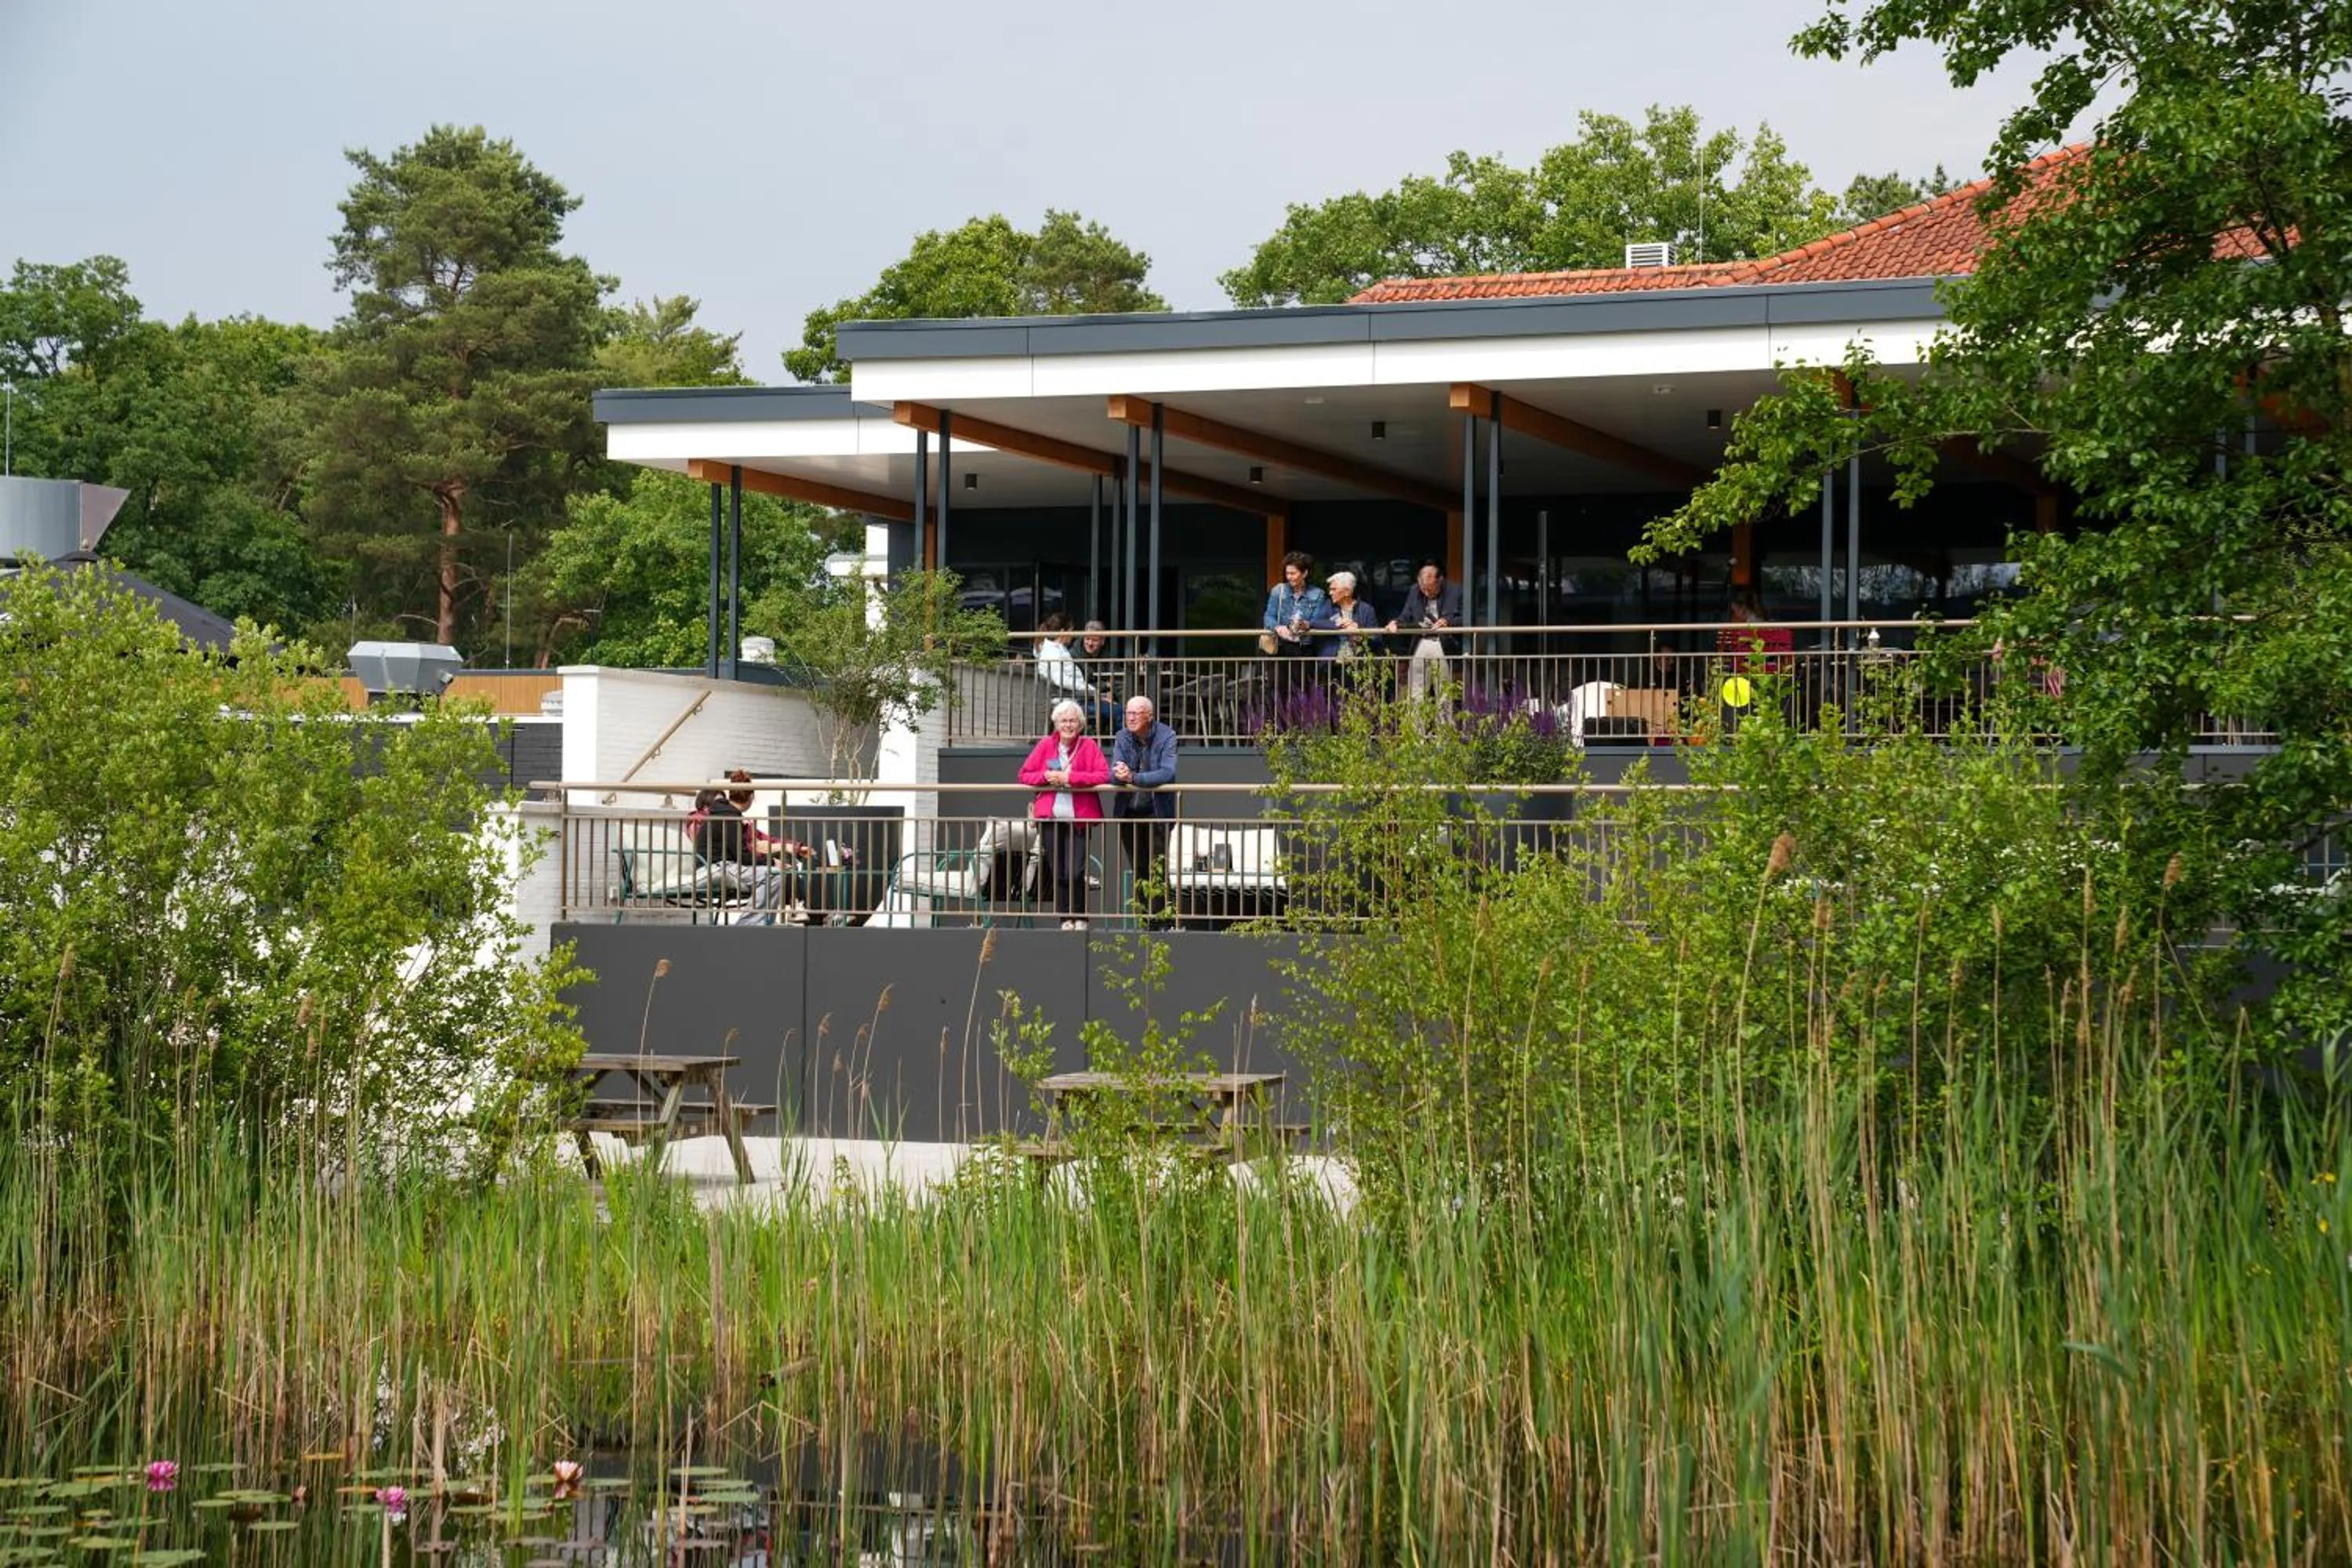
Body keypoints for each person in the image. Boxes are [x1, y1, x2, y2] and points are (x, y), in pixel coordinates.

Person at [1017, 698, 1110, 930]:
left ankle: (1081, 917)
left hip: (1079, 818)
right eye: (1063, 720)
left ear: (1080, 724)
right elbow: (1024, 775)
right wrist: (1046, 776)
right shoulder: (1046, 745)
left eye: (1072, 721)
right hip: (1051, 818)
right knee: (1058, 871)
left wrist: (1070, 778)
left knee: (1076, 871)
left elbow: (1103, 775)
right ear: (1056, 723)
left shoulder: (1088, 745)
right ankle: (1065, 919)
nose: (1068, 725)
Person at [689, 771, 810, 924]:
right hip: (716, 867)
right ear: (751, 797)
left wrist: (785, 852)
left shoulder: (725, 813)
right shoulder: (730, 817)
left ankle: (757, 922)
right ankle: (750, 925)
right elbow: (743, 856)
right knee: (773, 875)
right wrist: (772, 862)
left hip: (722, 865)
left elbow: (749, 850)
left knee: (774, 873)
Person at [1108, 694, 1178, 927]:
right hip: (1129, 812)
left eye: (1137, 713)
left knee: (1158, 867)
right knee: (1138, 868)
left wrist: (1134, 777)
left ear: (1149, 716)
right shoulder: (1122, 737)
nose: (1131, 717)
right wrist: (1121, 776)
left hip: (1157, 812)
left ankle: (1164, 922)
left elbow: (1167, 772)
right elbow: (1114, 773)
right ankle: (1146, 921)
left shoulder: (1166, 735)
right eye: (1128, 713)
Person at [1385, 559, 1465, 704]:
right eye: (1423, 589)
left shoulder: (1456, 591)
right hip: (1421, 641)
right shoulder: (1415, 591)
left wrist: (1448, 622)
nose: (1426, 592)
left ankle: (1444, 726)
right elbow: (1406, 614)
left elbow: (1467, 618)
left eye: (1430, 588)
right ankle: (1417, 727)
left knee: (1444, 690)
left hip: (1444, 642)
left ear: (1440, 580)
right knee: (1416, 689)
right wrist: (1396, 622)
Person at [1034, 613, 1119, 730]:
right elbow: (1062, 680)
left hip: (1076, 697)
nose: (1073, 635)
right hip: (1072, 701)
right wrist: (1094, 692)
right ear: (1064, 632)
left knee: (1115, 709)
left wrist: (1098, 695)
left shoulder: (1057, 649)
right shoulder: (1053, 653)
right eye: (1072, 631)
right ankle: (1124, 746)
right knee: (1120, 711)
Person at [1261, 552, 1327, 657]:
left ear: (1305, 573)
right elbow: (1268, 616)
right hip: (1279, 646)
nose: (1289, 577)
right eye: (1287, 573)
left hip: (1303, 647)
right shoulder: (1278, 590)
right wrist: (1278, 627)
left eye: (1293, 573)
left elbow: (1317, 620)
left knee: (1301, 673)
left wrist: (1306, 625)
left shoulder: (1318, 594)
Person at [1311, 571, 1380, 662]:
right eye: (1330, 589)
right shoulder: (1328, 606)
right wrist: (1338, 624)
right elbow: (1314, 622)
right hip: (1332, 664)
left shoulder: (1366, 610)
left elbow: (1377, 639)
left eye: (1334, 589)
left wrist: (1359, 635)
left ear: (1347, 592)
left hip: (1359, 663)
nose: (1330, 592)